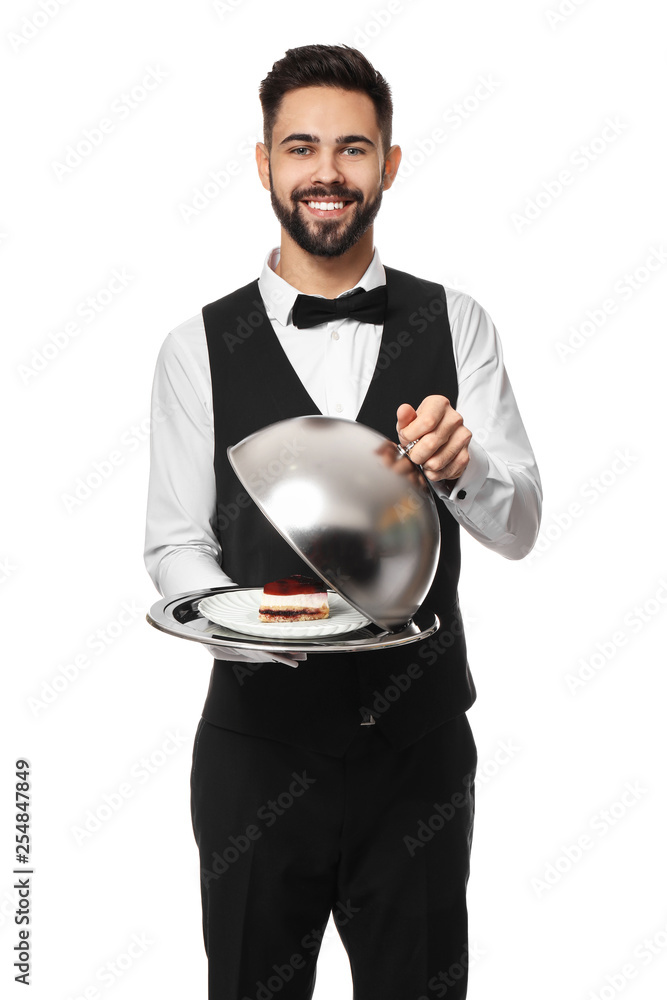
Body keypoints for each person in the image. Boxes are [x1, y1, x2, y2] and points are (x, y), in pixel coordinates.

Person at [144, 43, 542, 1000]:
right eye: (302, 148)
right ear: (265, 163)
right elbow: (175, 543)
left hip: (418, 751)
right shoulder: (196, 346)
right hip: (255, 750)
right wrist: (251, 626)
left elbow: (521, 522)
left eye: (354, 149)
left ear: (389, 165)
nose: (326, 172)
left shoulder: (460, 323)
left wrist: (465, 469)